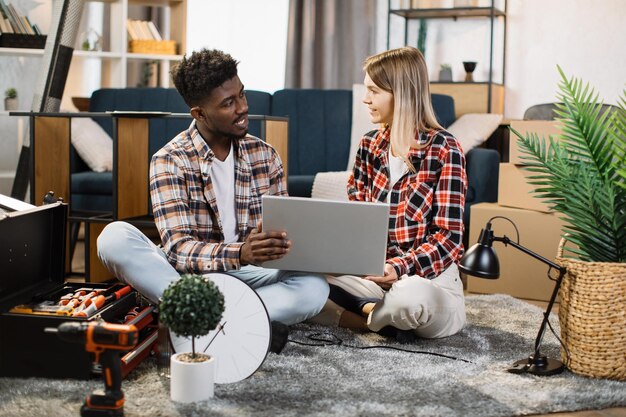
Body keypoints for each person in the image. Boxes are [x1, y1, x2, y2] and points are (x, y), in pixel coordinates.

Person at [97, 49, 329, 332]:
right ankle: (215, 311)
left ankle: (196, 313)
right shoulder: (170, 160)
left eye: (241, 95)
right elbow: (178, 250)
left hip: (249, 275)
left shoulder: (265, 155)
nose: (242, 107)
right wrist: (241, 251)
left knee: (314, 287)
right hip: (186, 276)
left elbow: (281, 238)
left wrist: (274, 244)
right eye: (228, 103)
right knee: (113, 237)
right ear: (200, 113)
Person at [312, 46, 467, 340]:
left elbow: (449, 239)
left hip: (430, 282)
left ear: (401, 93)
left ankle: (367, 317)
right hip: (371, 279)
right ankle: (382, 316)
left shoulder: (445, 149)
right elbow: (357, 220)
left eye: (374, 90)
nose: (366, 99)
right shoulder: (369, 146)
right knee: (301, 280)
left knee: (409, 297)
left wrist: (398, 268)